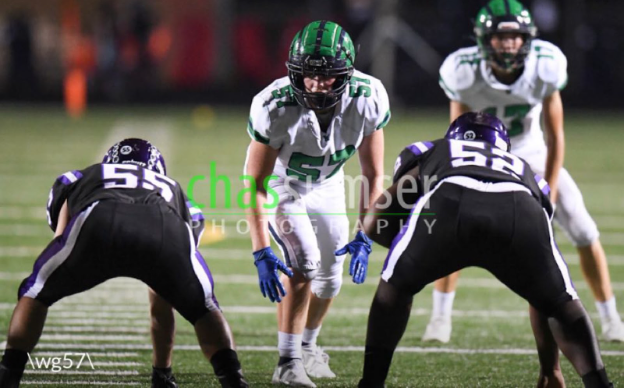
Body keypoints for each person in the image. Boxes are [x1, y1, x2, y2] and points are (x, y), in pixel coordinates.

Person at [359, 111, 613, 388]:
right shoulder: (524, 168)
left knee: (393, 290)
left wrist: (404, 251)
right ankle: (596, 382)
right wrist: (550, 368)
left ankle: (372, 382)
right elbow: (540, 294)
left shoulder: (434, 149)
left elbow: (377, 219)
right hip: (521, 211)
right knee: (560, 304)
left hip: (450, 203)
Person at [425, 0, 624, 343]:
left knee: (583, 229)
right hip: (481, 154)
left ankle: (611, 318)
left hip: (531, 153)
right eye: (501, 38)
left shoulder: (545, 65)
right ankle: (440, 318)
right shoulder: (463, 70)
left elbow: (556, 135)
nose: (508, 44)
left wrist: (550, 187)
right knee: (454, 228)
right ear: (483, 39)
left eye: (516, 37)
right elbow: (455, 132)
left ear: (527, 38)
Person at [0, 139, 248, 388]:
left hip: (99, 220)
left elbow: (60, 236)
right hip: (164, 228)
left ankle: (9, 373)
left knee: (36, 291)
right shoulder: (173, 188)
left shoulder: (82, 176)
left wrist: (55, 280)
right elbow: (164, 299)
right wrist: (162, 370)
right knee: (204, 308)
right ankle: (231, 378)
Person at [244, 20, 389, 387]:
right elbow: (256, 183)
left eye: (327, 77)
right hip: (283, 183)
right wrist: (260, 249)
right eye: (308, 74)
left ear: (347, 74)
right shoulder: (273, 105)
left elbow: (373, 173)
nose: (316, 84)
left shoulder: (368, 96)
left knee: (330, 279)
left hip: (328, 182)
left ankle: (308, 346)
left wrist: (365, 233)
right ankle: (287, 362)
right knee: (305, 260)